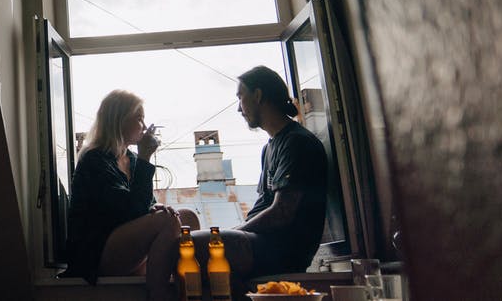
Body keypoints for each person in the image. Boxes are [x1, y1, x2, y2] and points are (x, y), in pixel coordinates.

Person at [191, 65, 328, 287]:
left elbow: (282, 212)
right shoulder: (270, 147)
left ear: (258, 95)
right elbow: (264, 205)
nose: (239, 109)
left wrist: (232, 233)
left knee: (189, 247)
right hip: (265, 244)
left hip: (283, 250)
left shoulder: (297, 143)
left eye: (241, 97)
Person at [64, 89, 200, 300]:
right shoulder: (95, 160)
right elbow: (129, 211)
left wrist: (154, 207)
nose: (144, 127)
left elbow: (143, 204)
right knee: (166, 221)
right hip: (96, 252)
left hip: (124, 244)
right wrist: (146, 157)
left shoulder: (131, 159)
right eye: (139, 118)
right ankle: (159, 294)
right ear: (118, 120)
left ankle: (187, 288)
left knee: (187, 217)